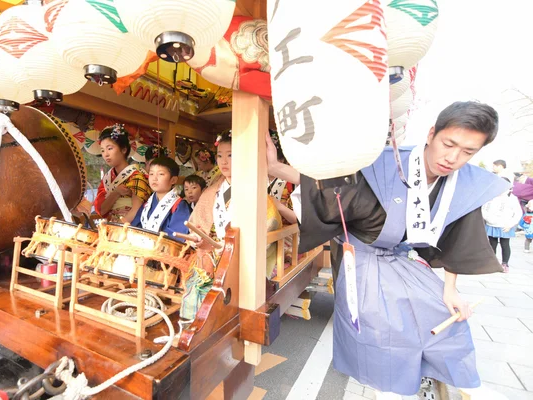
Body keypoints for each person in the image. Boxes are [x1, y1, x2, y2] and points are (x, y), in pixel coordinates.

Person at [267, 101, 510, 399]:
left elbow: (459, 237)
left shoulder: (462, 183)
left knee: (448, 321)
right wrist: (276, 168)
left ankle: (433, 379)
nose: (453, 158)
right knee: (384, 336)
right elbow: (331, 186)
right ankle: (392, 388)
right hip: (365, 262)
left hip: (403, 260)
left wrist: (451, 289)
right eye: (449, 144)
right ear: (432, 134)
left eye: (468, 152)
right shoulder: (385, 165)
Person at [181, 131, 282, 320]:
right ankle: (193, 327)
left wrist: (230, 252)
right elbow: (200, 225)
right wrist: (199, 238)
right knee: (195, 284)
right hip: (213, 254)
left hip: (242, 257)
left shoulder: (255, 190)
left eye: (231, 155)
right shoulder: (212, 191)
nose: (223, 162)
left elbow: (269, 226)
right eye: (220, 156)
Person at [94, 124, 151, 223]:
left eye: (110, 148)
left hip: (129, 228)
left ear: (124, 149)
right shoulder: (107, 179)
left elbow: (137, 211)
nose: (106, 154)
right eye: (102, 150)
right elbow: (102, 210)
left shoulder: (137, 176)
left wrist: (118, 227)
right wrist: (116, 192)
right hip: (112, 226)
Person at [131, 157, 191, 240]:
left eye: (161, 174)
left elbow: (177, 236)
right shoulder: (147, 204)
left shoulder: (179, 205)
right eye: (151, 174)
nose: (154, 178)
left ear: (173, 180)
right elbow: (135, 227)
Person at [482, 177, 523, 272]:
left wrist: (510, 224)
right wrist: (488, 218)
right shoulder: (490, 196)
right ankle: (491, 263)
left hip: (505, 226)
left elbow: (517, 212)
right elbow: (484, 208)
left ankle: (505, 263)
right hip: (491, 224)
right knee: (492, 244)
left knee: (505, 244)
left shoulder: (512, 198)